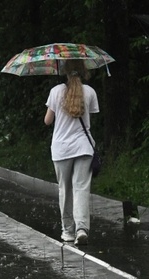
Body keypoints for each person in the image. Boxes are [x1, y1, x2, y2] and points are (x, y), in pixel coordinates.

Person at [44, 60, 99, 245]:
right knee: (81, 188)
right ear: (83, 71)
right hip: (84, 147)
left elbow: (47, 121)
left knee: (65, 190)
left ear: (64, 72)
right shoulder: (90, 92)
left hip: (61, 149)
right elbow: (90, 118)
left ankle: (68, 231)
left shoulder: (56, 91)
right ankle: (82, 229)